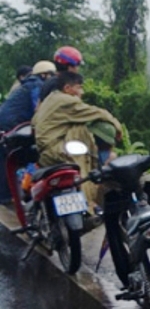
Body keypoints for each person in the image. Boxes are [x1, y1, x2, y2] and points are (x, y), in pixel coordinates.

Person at [31, 71, 122, 215]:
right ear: (67, 88)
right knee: (80, 128)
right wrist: (117, 126)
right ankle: (89, 203)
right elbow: (97, 113)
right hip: (58, 151)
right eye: (79, 87)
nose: (82, 92)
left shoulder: (49, 99)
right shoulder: (66, 101)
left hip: (44, 153)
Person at [0, 61, 57, 205]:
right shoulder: (36, 85)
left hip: (9, 128)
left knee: (8, 163)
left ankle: (10, 197)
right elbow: (38, 110)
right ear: (44, 74)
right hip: (12, 128)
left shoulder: (26, 85)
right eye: (51, 75)